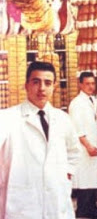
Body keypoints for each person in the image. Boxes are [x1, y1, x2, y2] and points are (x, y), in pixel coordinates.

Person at [0, 61, 81, 218]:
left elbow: (74, 151)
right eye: (36, 82)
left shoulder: (63, 119)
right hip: (20, 202)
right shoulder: (7, 118)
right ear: (26, 85)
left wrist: (65, 174)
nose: (42, 88)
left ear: (54, 87)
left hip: (56, 201)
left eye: (48, 83)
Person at [69, 72, 97, 219]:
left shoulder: (91, 100)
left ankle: (90, 210)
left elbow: (93, 120)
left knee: (92, 180)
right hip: (84, 147)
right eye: (87, 84)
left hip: (92, 145)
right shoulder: (76, 103)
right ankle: (83, 211)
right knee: (85, 181)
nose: (90, 87)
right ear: (80, 84)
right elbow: (77, 129)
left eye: (93, 84)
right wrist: (88, 146)